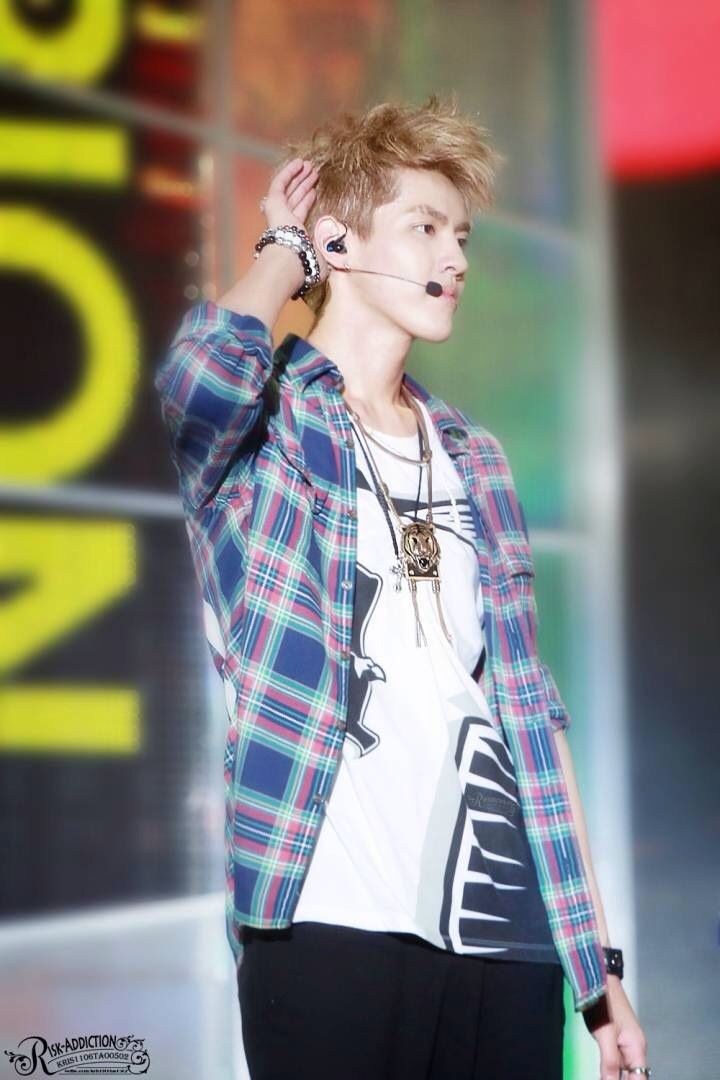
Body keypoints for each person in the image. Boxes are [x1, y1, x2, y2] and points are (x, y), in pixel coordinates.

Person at [154, 95, 649, 1080]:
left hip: (504, 936)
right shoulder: (267, 426)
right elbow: (196, 381)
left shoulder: (476, 456)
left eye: (461, 236)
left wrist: (596, 972)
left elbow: (526, 710)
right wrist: (286, 247)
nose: (454, 259)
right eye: (424, 228)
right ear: (341, 242)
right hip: (325, 917)